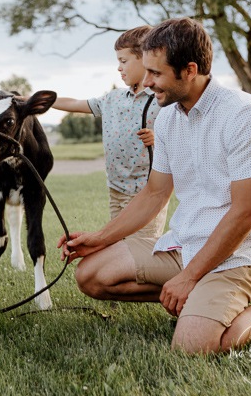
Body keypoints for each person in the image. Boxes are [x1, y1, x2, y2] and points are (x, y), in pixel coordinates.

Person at [58, 18, 251, 354]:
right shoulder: (170, 118)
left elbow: (246, 213)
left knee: (193, 348)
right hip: (181, 246)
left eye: (156, 74)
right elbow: (155, 193)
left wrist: (189, 277)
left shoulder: (244, 116)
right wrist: (99, 239)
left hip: (234, 257)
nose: (146, 83)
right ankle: (197, 301)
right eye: (146, 71)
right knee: (91, 275)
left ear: (190, 70)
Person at [48, 26, 168, 238]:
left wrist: (157, 139)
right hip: (116, 188)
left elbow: (181, 138)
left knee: (143, 248)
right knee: (118, 245)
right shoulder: (112, 99)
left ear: (146, 59)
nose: (119, 68)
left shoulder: (161, 100)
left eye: (123, 61)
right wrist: (38, 101)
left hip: (146, 192)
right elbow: (75, 103)